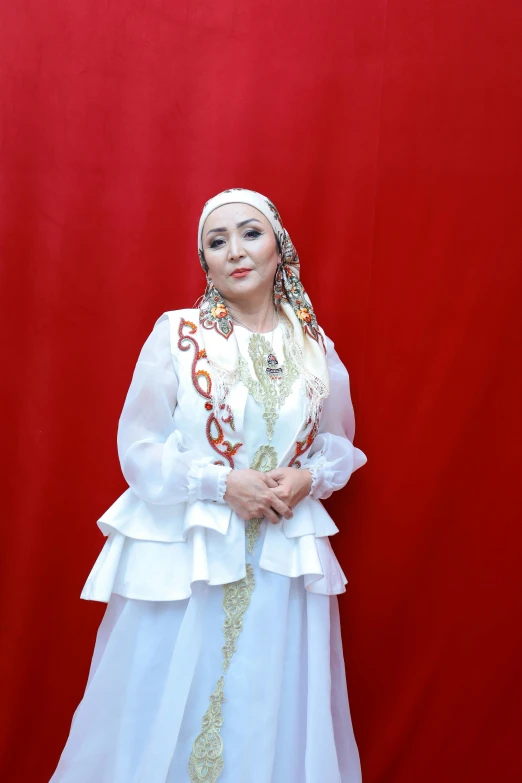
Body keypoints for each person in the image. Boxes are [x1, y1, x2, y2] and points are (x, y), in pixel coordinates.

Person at [49, 188, 367, 783]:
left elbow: (339, 442)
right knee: (164, 696)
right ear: (205, 261)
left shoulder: (314, 347)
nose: (235, 252)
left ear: (280, 248)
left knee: (265, 701)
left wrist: (309, 476)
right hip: (188, 555)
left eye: (250, 234)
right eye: (216, 242)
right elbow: (138, 447)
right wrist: (221, 484)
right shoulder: (179, 334)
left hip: (280, 559)